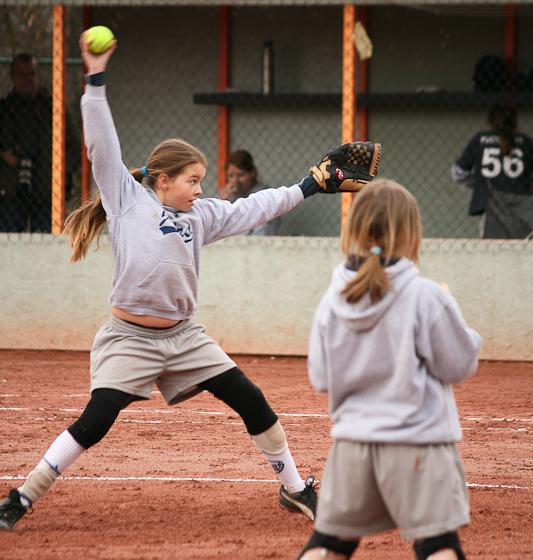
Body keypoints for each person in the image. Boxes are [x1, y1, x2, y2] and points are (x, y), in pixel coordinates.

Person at [0, 33, 352, 531]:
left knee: (251, 400)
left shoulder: (202, 216)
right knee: (96, 420)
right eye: (192, 180)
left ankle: (295, 489)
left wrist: (310, 185)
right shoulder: (126, 200)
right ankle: (21, 496)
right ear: (163, 180)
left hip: (183, 337)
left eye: (201, 181)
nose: (200, 188)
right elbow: (101, 138)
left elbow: (255, 208)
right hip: (129, 338)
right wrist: (94, 78)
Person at [298, 179, 482, 560]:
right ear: (410, 232)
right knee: (438, 546)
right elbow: (460, 365)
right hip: (418, 444)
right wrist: (451, 308)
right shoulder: (424, 295)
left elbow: (319, 376)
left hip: (351, 444)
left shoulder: (334, 299)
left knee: (329, 545)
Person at [0, 52, 79, 232]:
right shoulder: (4, 109)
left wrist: (60, 170)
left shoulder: (54, 109)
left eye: (31, 73)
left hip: (48, 191)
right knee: (6, 244)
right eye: (21, 74)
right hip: (10, 191)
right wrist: (3, 155)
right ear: (12, 77)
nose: (26, 79)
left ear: (38, 75)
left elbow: (75, 147)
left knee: (47, 242)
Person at [450, 104, 533, 239]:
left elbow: (458, 173)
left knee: (491, 248)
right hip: (522, 208)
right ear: (515, 122)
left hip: (490, 205)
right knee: (521, 247)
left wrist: (479, 183)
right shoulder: (527, 142)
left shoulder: (480, 139)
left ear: (490, 122)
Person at [218, 149, 281, 235]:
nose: (235, 181)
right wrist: (222, 202)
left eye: (241, 175)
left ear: (252, 173)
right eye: (231, 176)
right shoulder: (228, 196)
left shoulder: (264, 194)